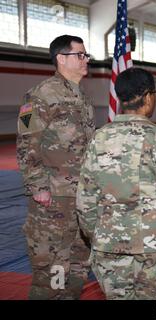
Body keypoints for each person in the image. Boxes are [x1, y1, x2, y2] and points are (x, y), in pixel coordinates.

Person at [76, 67, 156, 300]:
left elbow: (85, 198)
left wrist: (100, 236)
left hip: (109, 249)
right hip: (155, 252)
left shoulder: (99, 137)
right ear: (148, 96)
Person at [16, 35, 95, 299]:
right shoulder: (41, 94)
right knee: (50, 270)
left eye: (86, 55)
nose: (86, 60)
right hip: (53, 199)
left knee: (76, 265)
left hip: (79, 197)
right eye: (80, 55)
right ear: (61, 58)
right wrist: (38, 187)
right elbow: (27, 143)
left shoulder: (81, 96)